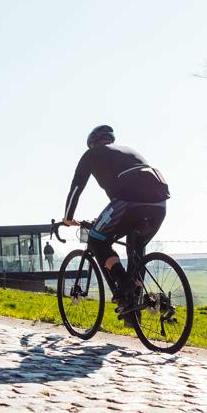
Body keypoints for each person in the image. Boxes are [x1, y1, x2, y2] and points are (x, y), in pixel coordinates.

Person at [61, 124, 169, 316]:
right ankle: (133, 307)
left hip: (129, 202)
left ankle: (125, 284)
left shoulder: (92, 154)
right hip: (159, 205)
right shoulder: (129, 151)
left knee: (95, 240)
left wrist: (68, 217)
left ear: (92, 143)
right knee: (136, 247)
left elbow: (76, 187)